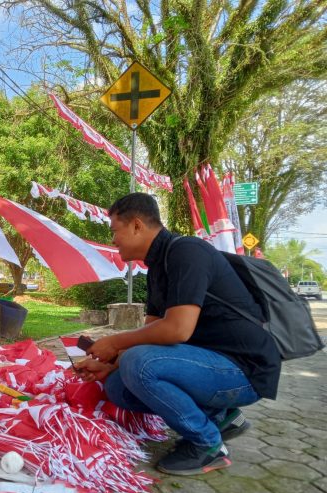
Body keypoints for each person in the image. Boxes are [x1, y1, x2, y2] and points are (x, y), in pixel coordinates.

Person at [74, 193, 281, 475]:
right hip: (208, 363)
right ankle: (221, 417)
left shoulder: (187, 252)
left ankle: (208, 445)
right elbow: (151, 333)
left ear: (136, 225)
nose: (113, 240)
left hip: (244, 369)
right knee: (118, 385)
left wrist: (114, 342)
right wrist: (108, 363)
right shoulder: (158, 267)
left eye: (114, 231)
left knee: (139, 362)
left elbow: (177, 330)